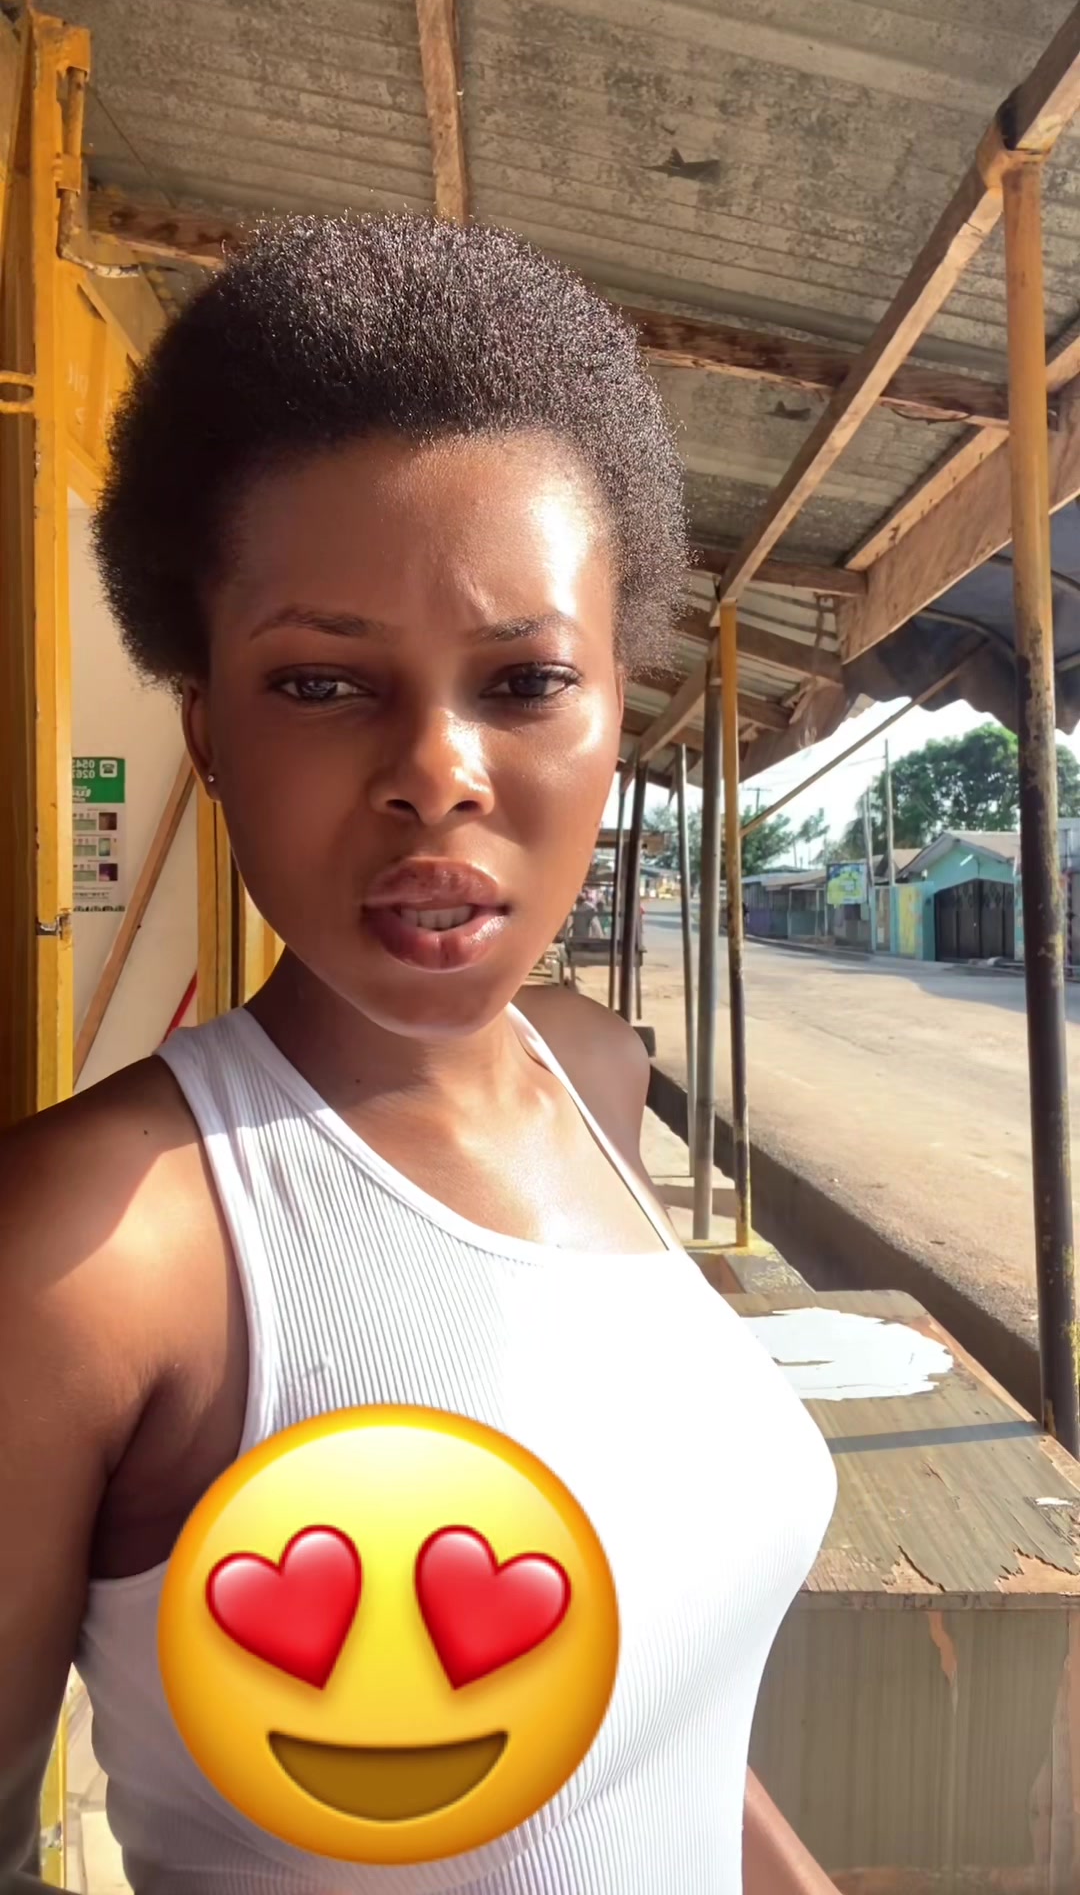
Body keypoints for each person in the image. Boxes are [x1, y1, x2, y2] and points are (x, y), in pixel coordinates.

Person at [0, 216, 835, 1894]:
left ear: (613, 713)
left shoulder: (594, 1079)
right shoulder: (98, 1252)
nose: (438, 771)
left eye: (525, 680)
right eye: (323, 683)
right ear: (206, 730)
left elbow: (654, 1714)